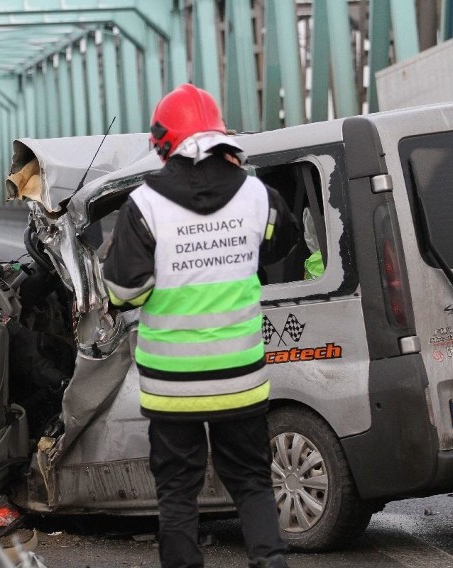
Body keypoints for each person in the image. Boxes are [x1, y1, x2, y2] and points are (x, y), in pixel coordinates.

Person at [102, 84, 299, 568]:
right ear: (219, 136)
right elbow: (282, 244)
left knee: (177, 495)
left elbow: (123, 291)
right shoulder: (257, 195)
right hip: (240, 377)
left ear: (163, 144)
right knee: (252, 482)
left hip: (172, 387)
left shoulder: (144, 206)